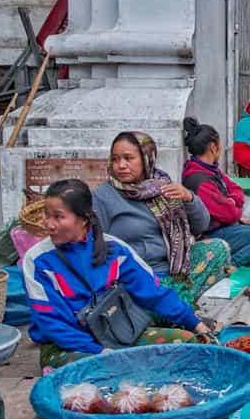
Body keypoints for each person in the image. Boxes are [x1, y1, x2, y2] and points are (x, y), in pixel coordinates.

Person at [23, 179, 214, 370]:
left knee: (186, 342)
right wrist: (101, 352)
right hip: (69, 347)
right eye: (47, 216)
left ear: (84, 218)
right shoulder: (38, 260)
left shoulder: (115, 249)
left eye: (58, 217)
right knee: (112, 370)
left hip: (116, 333)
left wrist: (195, 324)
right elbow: (52, 324)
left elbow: (154, 292)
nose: (49, 224)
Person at [93, 131, 231, 305]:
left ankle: (173, 304)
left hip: (173, 270)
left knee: (219, 248)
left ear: (146, 159)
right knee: (162, 300)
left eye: (128, 158)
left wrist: (189, 198)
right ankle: (169, 306)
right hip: (138, 279)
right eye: (115, 159)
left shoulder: (162, 185)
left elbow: (201, 226)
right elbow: (96, 247)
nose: (121, 165)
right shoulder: (103, 196)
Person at [182, 117, 250, 266]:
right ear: (213, 147)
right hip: (213, 235)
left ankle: (239, 256)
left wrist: (231, 201)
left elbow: (236, 189)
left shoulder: (209, 169)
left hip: (227, 226)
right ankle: (232, 264)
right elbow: (232, 214)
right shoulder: (199, 179)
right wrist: (232, 204)